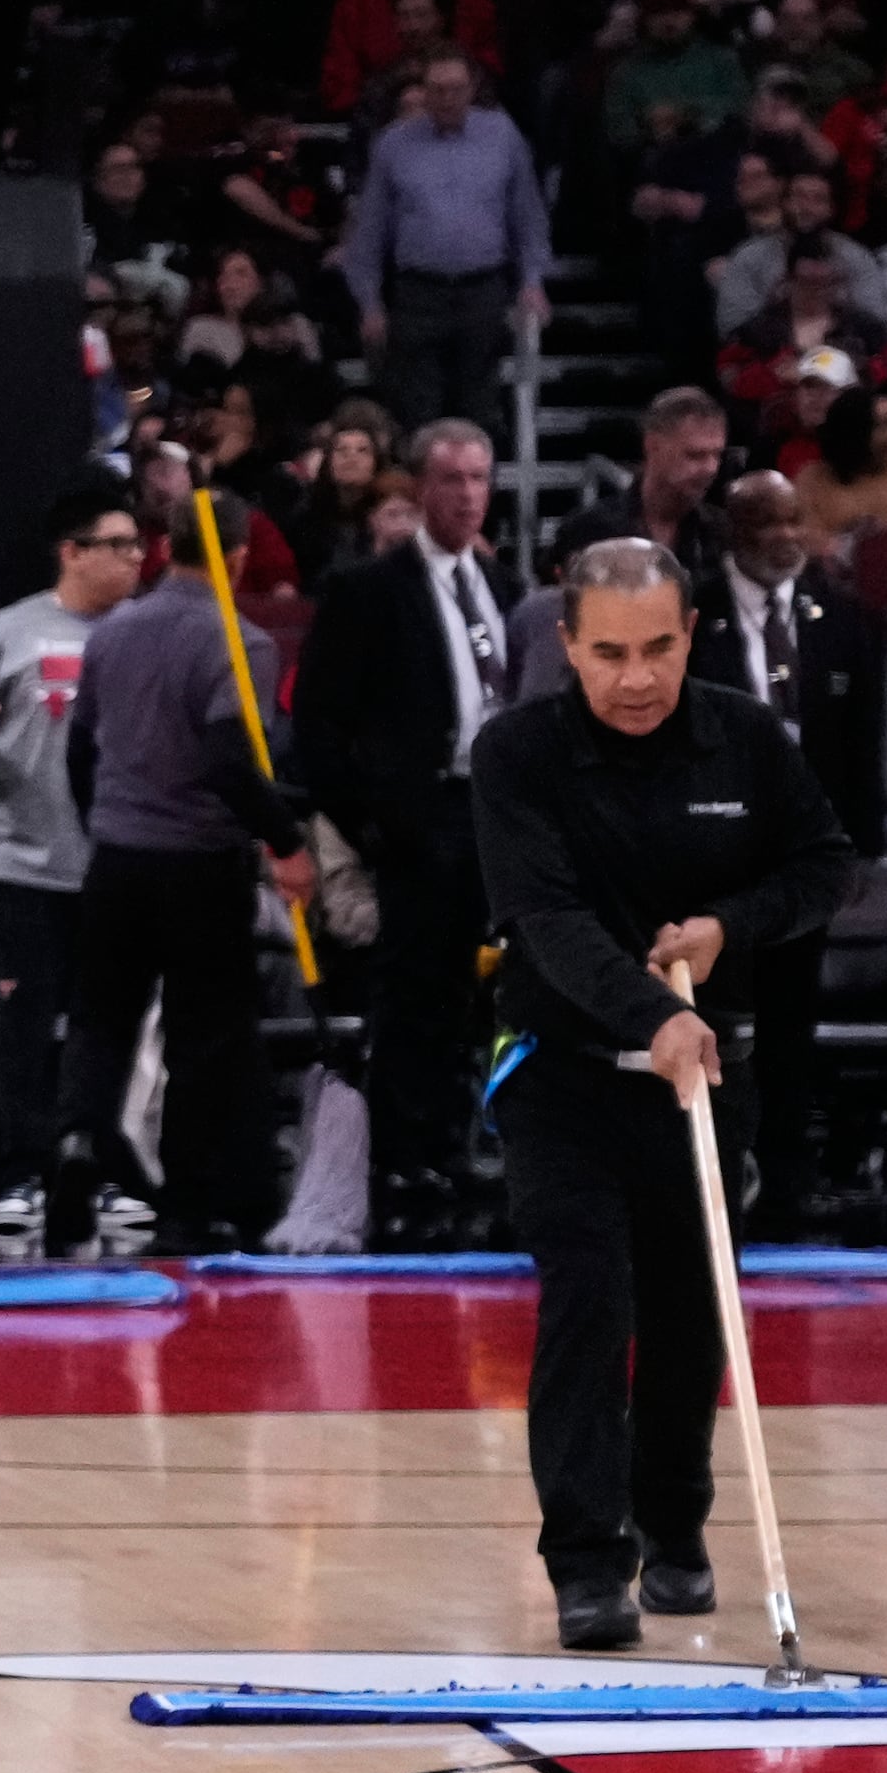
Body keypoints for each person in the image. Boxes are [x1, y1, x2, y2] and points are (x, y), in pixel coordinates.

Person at [474, 535, 856, 1652]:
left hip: (704, 1075)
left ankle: (675, 1526)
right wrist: (656, 1015)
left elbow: (825, 864)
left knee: (692, 1317)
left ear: (692, 634)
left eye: (656, 650)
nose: (635, 678)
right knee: (589, 1302)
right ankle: (588, 1566)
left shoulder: (745, 738)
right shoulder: (516, 755)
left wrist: (730, 928)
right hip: (560, 1074)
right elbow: (544, 923)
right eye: (607, 654)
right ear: (565, 647)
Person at [50, 489, 314, 1256]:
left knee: (100, 1021)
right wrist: (288, 843)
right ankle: (185, 1207)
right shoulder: (242, 642)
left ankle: (74, 1145)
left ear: (165, 550)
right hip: (200, 864)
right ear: (236, 558)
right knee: (205, 1036)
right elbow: (232, 760)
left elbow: (79, 749)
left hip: (117, 859)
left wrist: (100, 822)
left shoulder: (115, 630)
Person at [297, 420, 520, 1228]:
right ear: (420, 488)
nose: (468, 496)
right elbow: (319, 726)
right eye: (453, 480)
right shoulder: (368, 589)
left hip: (485, 817)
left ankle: (454, 1148)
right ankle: (402, 1155)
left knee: (472, 996)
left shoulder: (505, 588)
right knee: (413, 994)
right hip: (413, 820)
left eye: (479, 480)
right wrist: (373, 825)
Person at [0, 484, 145, 1244]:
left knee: (114, 1029)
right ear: (73, 552)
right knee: (25, 1029)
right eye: (118, 544)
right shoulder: (8, 633)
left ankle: (110, 1168)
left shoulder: (142, 631)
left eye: (137, 544)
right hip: (28, 862)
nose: (134, 557)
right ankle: (21, 1174)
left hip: (123, 864)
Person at [685, 471, 886, 1236]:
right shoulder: (692, 614)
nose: (785, 537)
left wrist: (862, 850)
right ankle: (714, 1172)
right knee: (717, 1019)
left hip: (805, 854)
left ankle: (789, 1180)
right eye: (766, 523)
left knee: (792, 1024)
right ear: (732, 530)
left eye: (794, 520)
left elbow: (865, 745)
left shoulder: (843, 616)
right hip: (715, 854)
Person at [342, 47, 552, 439]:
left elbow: (528, 218)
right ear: (422, 91)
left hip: (484, 288)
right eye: (437, 89)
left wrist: (532, 281)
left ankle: (478, 498)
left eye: (455, 89)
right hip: (418, 291)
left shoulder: (502, 135)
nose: (447, 99)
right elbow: (370, 231)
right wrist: (369, 303)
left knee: (481, 408)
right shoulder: (394, 144)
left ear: (472, 89)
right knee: (418, 412)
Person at [551, 388, 735, 581]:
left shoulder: (721, 535)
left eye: (717, 455)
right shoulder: (590, 530)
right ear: (652, 446)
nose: (711, 468)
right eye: (695, 455)